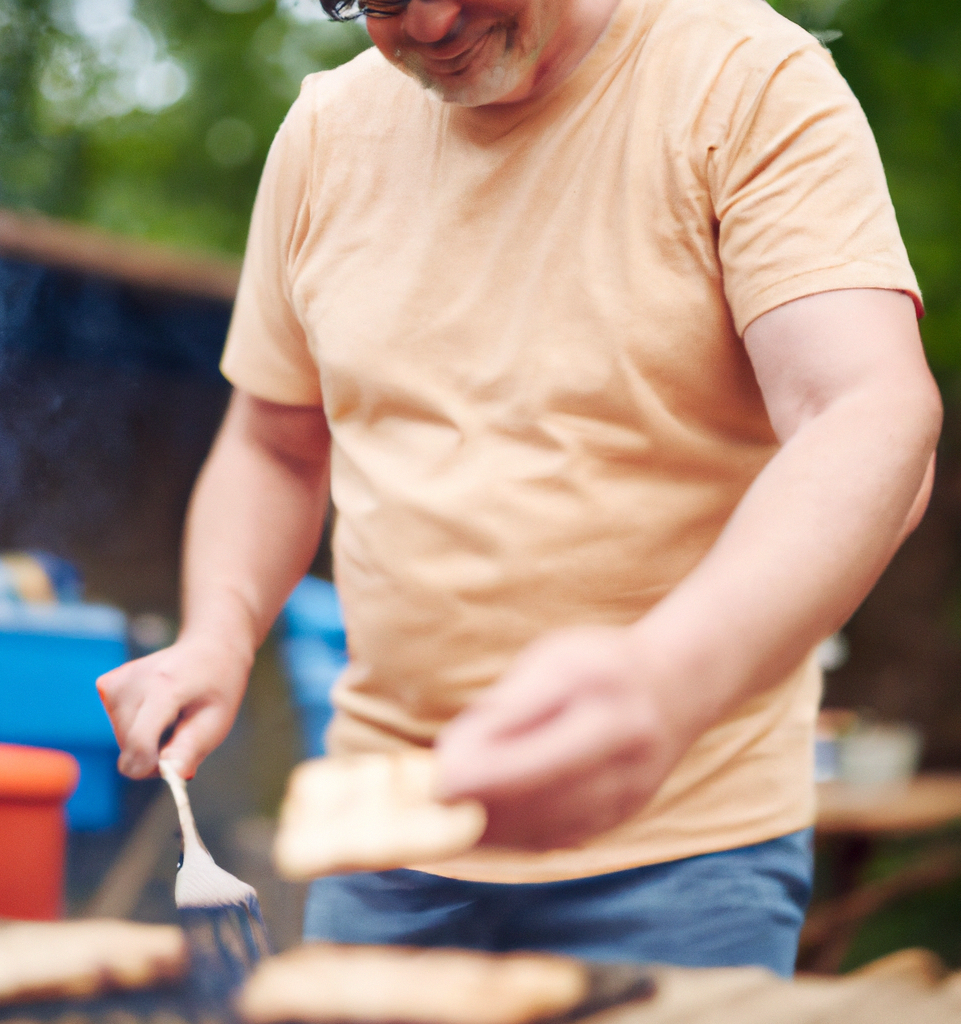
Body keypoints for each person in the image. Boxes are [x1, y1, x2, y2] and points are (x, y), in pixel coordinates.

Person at [97, 0, 942, 977]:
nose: (434, 18)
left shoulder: (747, 79)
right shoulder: (325, 134)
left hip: (684, 855)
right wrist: (218, 633)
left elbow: (867, 414)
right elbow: (275, 446)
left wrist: (665, 682)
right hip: (387, 851)